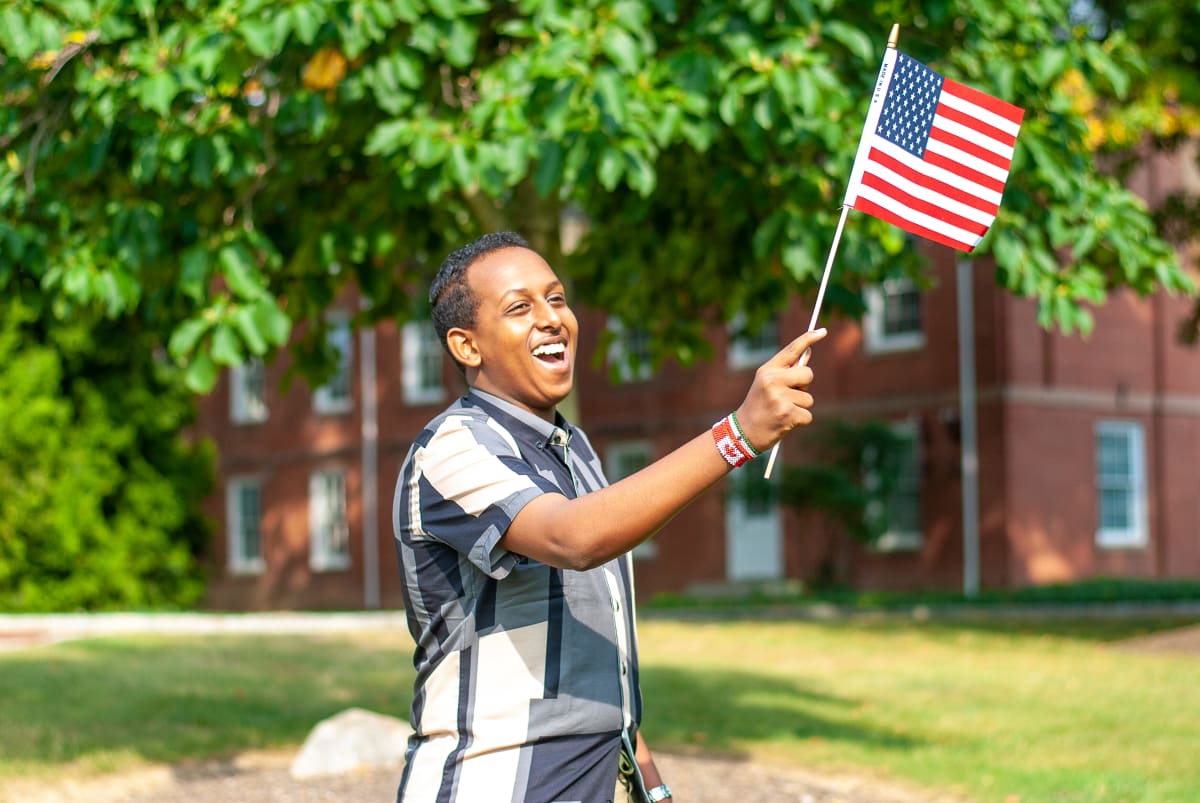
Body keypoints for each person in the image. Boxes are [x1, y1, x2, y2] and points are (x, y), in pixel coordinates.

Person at [392, 231, 826, 802]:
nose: (551, 318)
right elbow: (574, 539)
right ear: (467, 346)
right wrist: (738, 434)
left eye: (557, 298)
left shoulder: (574, 451)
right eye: (520, 307)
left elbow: (598, 638)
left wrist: (652, 784)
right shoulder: (451, 450)